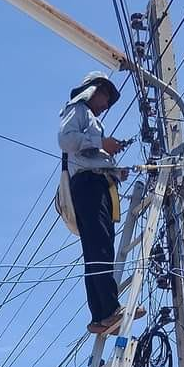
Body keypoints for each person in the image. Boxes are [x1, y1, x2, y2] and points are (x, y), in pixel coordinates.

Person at [58, 71, 143, 335]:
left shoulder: (91, 119)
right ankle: (109, 309)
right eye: (106, 95)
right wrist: (101, 143)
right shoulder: (78, 110)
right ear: (93, 90)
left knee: (97, 249)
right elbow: (66, 140)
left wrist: (114, 170)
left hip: (96, 182)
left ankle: (100, 316)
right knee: (100, 248)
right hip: (88, 185)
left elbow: (90, 155)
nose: (107, 103)